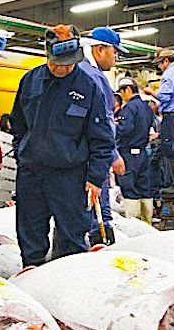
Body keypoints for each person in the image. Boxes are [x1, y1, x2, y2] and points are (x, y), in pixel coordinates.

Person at [10, 24, 113, 267]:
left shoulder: (89, 87)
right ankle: (32, 277)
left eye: (70, 62)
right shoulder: (30, 81)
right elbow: (18, 123)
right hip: (32, 175)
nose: (64, 67)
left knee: (72, 239)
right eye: (59, 62)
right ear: (47, 54)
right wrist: (23, 152)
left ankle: (69, 290)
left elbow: (102, 139)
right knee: (30, 238)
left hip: (70, 177)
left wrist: (95, 178)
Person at [79, 26, 128, 245]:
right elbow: (103, 122)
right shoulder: (94, 78)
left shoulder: (80, 71)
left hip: (81, 154)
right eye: (115, 51)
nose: (117, 57)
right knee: (97, 211)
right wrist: (113, 154)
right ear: (99, 50)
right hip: (93, 156)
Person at [144, 46, 174, 194]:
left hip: (172, 117)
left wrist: (151, 92)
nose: (159, 67)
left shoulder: (170, 74)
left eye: (159, 63)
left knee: (171, 150)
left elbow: (164, 96)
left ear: (166, 61)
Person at [115, 78, 156, 224]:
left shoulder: (129, 108)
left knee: (129, 189)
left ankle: (133, 226)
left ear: (127, 90)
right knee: (144, 188)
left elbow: (125, 129)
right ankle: (147, 223)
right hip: (143, 153)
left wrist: (114, 128)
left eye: (121, 92)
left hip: (129, 155)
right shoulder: (146, 107)